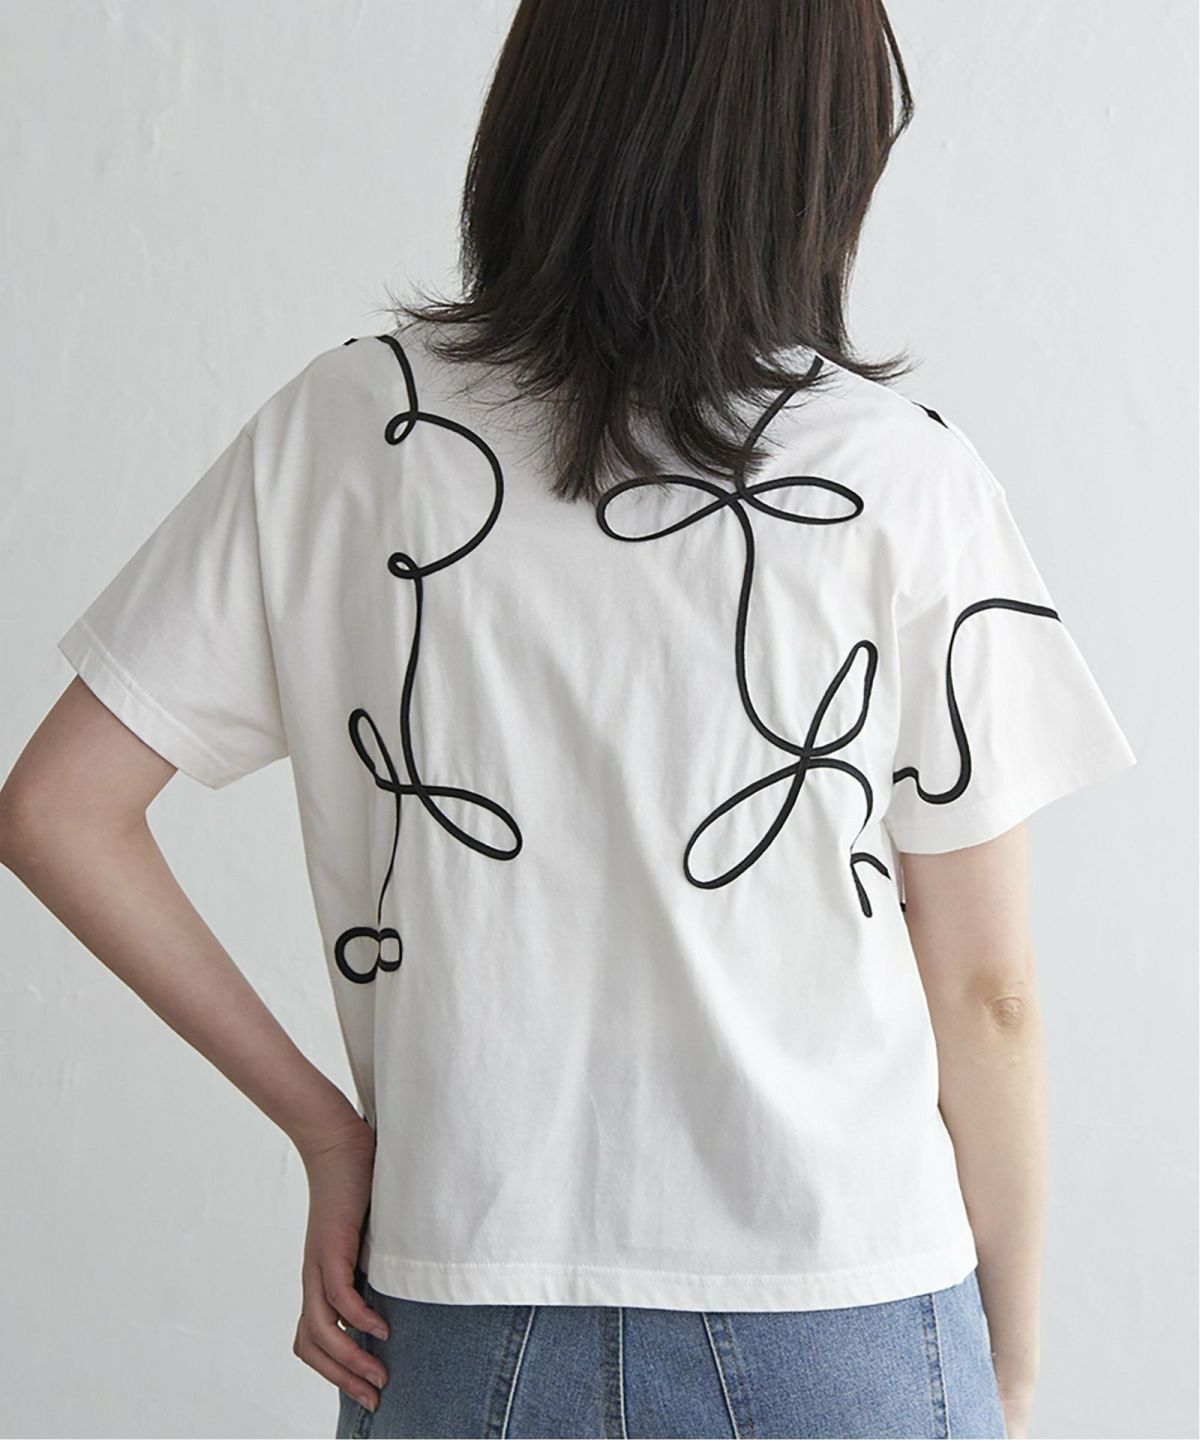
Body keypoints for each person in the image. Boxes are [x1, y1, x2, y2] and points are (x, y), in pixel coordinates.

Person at [0, 3, 1138, 1438]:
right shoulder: (900, 475)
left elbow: (56, 810)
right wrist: (1007, 1357)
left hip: (456, 1303)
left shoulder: (358, 425)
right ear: (814, 155)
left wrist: (327, 1133)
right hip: (845, 1310)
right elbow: (988, 993)